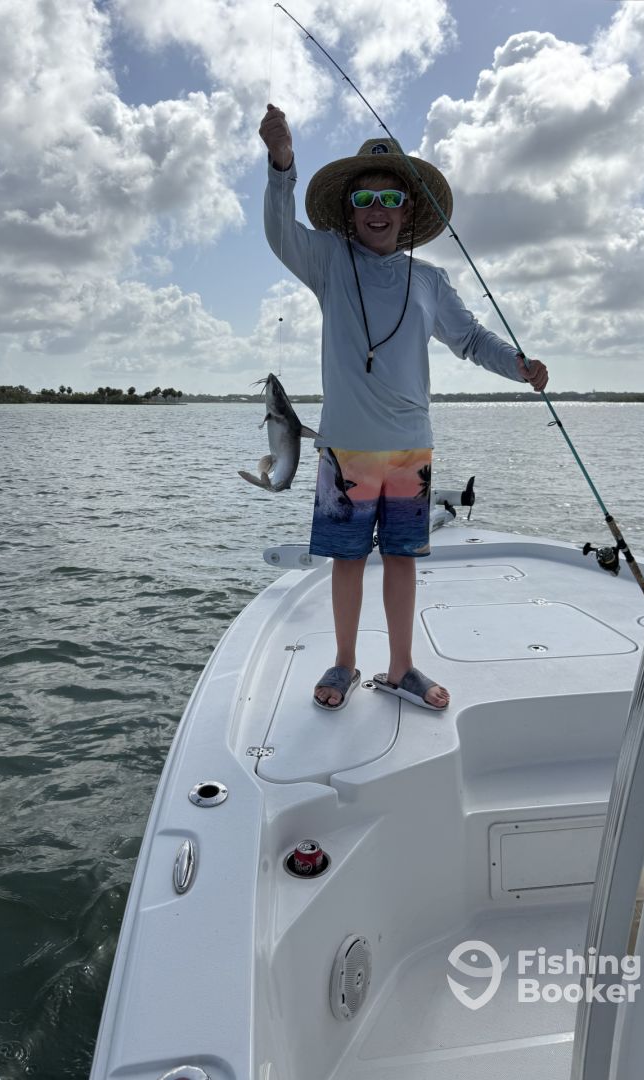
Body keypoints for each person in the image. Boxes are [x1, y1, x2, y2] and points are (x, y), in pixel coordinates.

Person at [259, 104, 548, 712]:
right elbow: (280, 233)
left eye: (390, 199)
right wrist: (281, 165)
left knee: (401, 560)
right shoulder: (329, 260)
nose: (377, 210)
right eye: (365, 199)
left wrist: (518, 366)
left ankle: (400, 669)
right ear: (349, 210)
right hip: (345, 447)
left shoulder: (431, 282)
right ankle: (344, 663)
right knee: (346, 562)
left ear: (408, 210)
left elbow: (471, 340)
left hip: (410, 447)